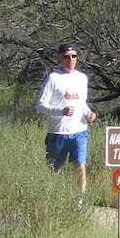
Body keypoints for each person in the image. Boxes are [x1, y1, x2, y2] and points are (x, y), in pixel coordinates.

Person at [36, 43, 97, 207]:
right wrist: (60, 111)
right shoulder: (53, 78)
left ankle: (80, 202)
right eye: (66, 56)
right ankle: (53, 201)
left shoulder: (81, 78)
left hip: (79, 130)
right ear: (59, 59)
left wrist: (89, 113)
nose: (70, 59)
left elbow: (81, 102)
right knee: (55, 170)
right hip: (58, 132)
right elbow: (40, 105)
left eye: (74, 56)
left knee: (81, 166)